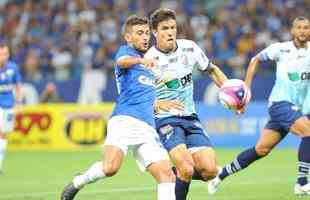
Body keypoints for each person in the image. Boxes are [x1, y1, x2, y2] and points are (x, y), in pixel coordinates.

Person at [60, 15, 176, 200]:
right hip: (125, 121)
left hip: (147, 127)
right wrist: (140, 61)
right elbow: (121, 61)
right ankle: (79, 181)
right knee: (110, 168)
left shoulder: (151, 65)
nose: (145, 37)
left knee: (167, 175)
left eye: (147, 33)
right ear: (128, 37)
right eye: (139, 33)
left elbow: (148, 95)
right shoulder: (127, 53)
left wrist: (161, 103)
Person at [208, 16, 310, 195]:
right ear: (293, 31)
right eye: (299, 27)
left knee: (261, 149)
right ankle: (301, 182)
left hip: (296, 108)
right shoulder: (281, 49)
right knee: (308, 131)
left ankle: (221, 174)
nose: (303, 31)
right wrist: (246, 86)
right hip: (280, 103)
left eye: (306, 28)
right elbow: (255, 59)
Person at [144, 8, 228, 200]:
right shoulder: (148, 60)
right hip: (166, 120)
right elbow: (139, 96)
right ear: (155, 32)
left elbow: (212, 70)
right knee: (187, 168)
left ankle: (169, 174)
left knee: (210, 171)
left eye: (173, 27)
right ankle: (177, 176)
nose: (170, 32)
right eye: (165, 28)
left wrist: (230, 90)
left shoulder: (190, 48)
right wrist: (156, 103)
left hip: (190, 117)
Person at [0, 41, 22, 173]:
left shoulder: (13, 68)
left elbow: (18, 86)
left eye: (6, 53)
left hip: (9, 105)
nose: (4, 56)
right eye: (1, 54)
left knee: (4, 135)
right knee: (0, 132)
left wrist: (19, 102)